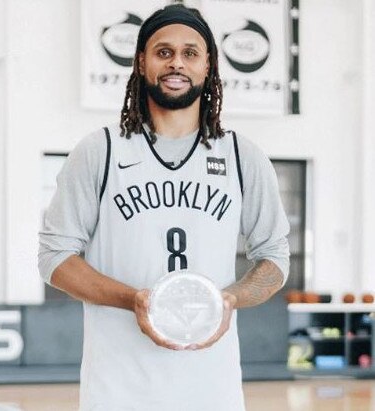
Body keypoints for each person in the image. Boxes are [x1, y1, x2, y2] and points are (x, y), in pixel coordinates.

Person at [38, 4, 290, 411]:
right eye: (163, 51)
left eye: (191, 53)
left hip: (212, 389)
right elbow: (54, 257)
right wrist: (133, 299)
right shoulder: (100, 151)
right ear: (141, 62)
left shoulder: (243, 157)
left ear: (208, 65)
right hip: (118, 391)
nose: (177, 63)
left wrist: (229, 300)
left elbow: (274, 260)